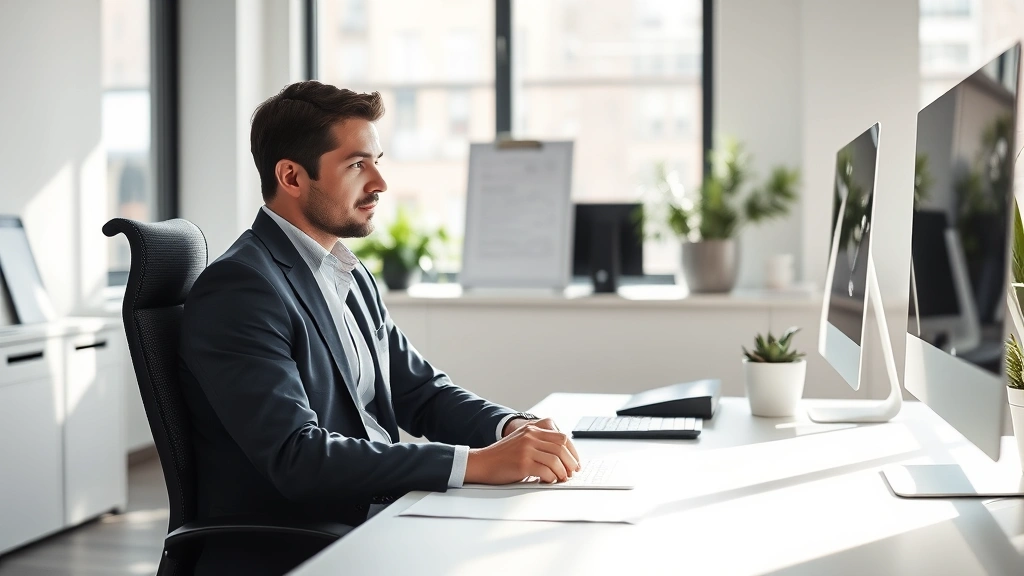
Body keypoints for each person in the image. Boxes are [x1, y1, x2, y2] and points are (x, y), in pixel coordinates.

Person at [178, 80, 581, 575]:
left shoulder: (346, 272)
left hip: (378, 513)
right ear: (292, 176)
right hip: (309, 541)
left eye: (377, 161)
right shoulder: (243, 288)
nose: (379, 183)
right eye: (356, 165)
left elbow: (421, 392)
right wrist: (475, 464)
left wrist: (511, 427)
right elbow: (297, 456)